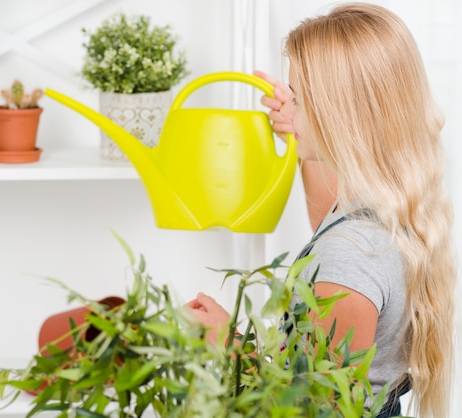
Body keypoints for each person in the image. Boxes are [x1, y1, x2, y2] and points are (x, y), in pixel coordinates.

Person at [186, 3, 456, 418]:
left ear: (339, 116)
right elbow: (326, 225)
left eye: (297, 98)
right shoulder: (385, 210)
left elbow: (318, 409)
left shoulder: (348, 257)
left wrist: (228, 345)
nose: (287, 112)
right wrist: (304, 143)